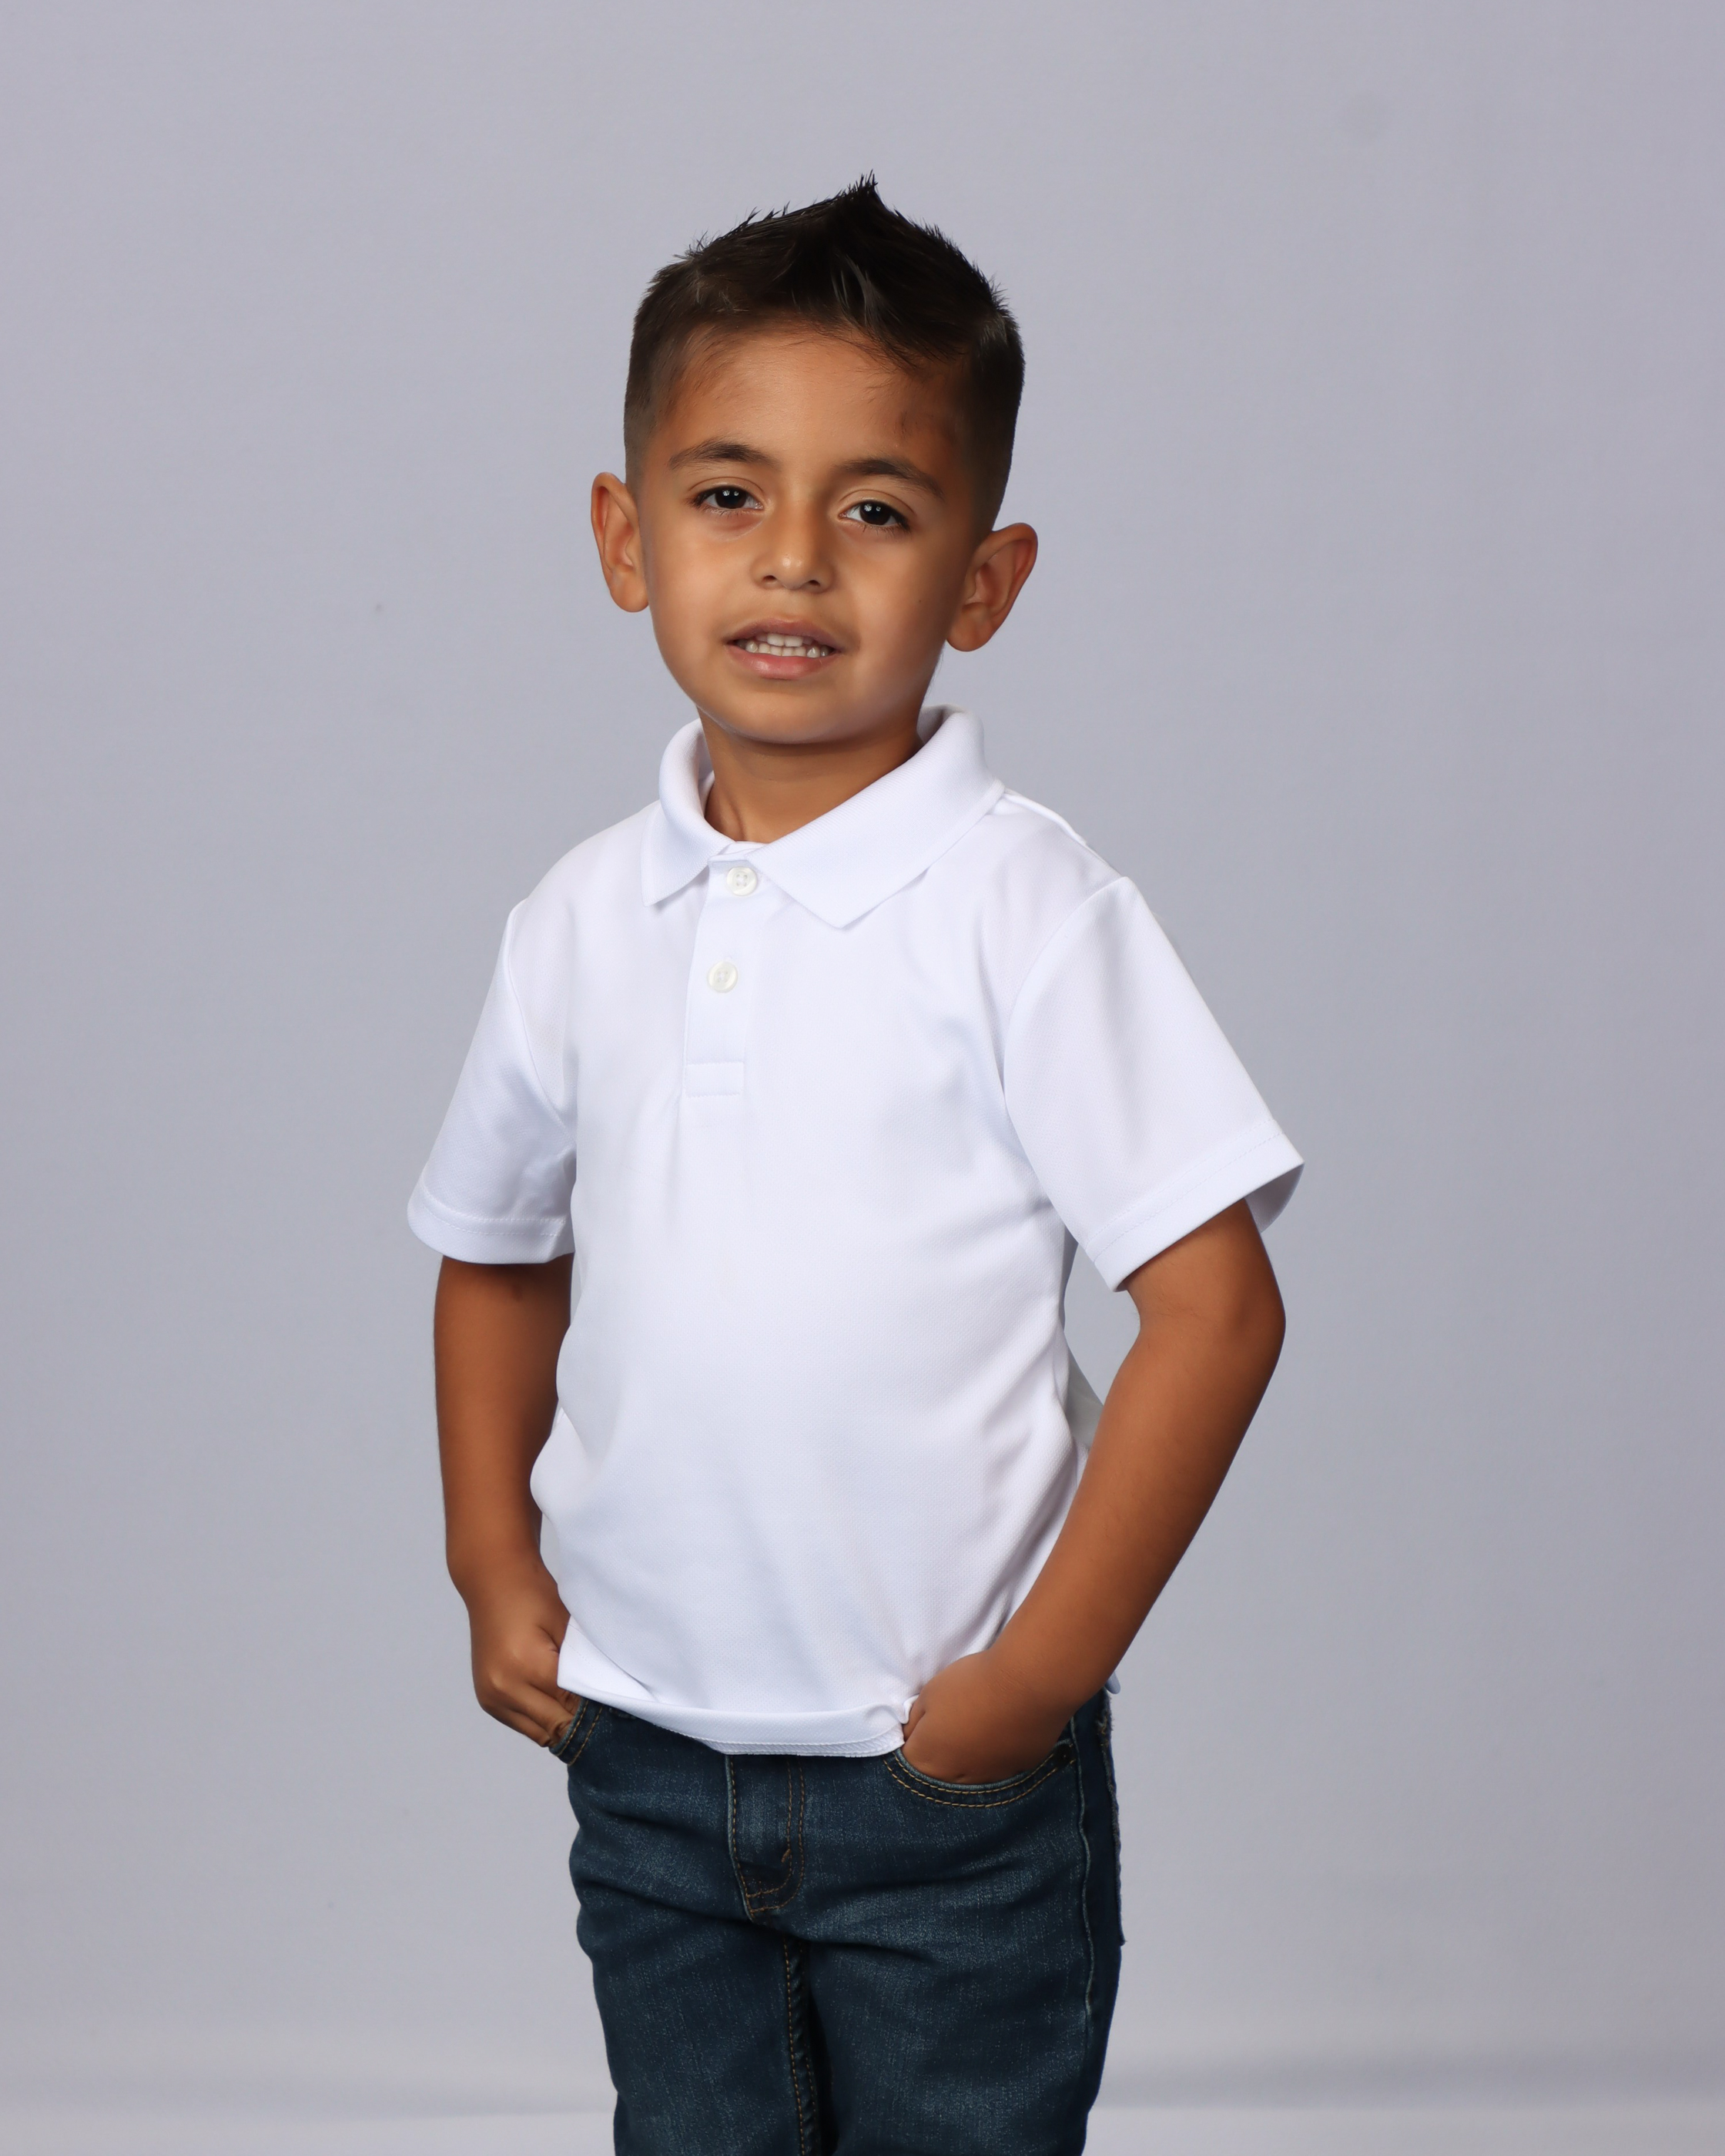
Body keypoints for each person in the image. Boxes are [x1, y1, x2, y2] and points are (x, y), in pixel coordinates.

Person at [409, 178, 1301, 2156]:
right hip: (646, 1747)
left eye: (877, 509)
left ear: (982, 580)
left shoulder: (1025, 910)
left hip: (940, 1776)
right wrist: (491, 1557)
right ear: (624, 538)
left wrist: (1035, 1676)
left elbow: (1216, 1308)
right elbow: (497, 1247)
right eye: (728, 494)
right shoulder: (579, 917)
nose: (794, 557)